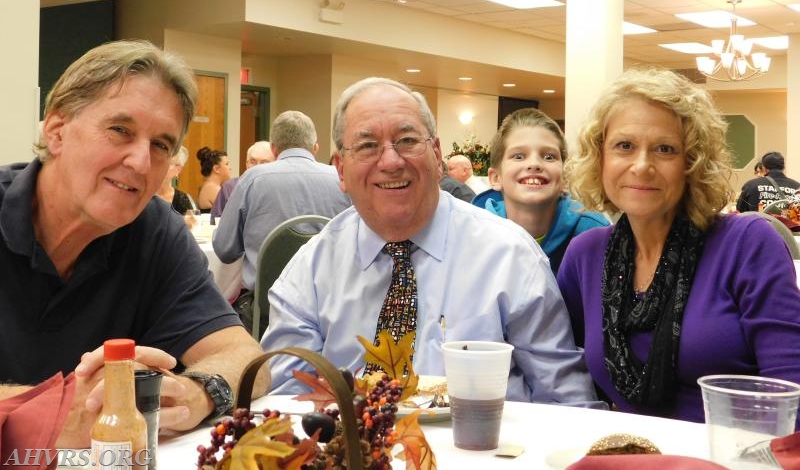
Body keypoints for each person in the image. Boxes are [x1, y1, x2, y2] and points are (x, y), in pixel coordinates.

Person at [261, 77, 600, 406]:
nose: (391, 161)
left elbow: (564, 400)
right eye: (367, 146)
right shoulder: (311, 270)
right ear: (340, 170)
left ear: (437, 155)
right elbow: (287, 398)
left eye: (407, 141)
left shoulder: (510, 256)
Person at [0, 40, 267, 448]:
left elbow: (248, 360)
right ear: (56, 130)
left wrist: (199, 393)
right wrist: (53, 410)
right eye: (119, 130)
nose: (141, 163)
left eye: (160, 145)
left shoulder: (156, 233)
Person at [556, 68, 800, 424]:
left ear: (692, 164)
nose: (642, 166)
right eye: (624, 146)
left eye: (665, 149)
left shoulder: (747, 245)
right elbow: (565, 370)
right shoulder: (585, 255)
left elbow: (791, 390)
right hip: (627, 455)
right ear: (600, 157)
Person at [213, 111, 351, 335]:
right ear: (315, 147)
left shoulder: (253, 179)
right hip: (331, 307)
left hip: (264, 312)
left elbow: (224, 250)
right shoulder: (342, 180)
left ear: (274, 148)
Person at [481, 108, 609, 274]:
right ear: (496, 178)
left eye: (549, 156)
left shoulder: (594, 234)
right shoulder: (476, 234)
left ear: (565, 178)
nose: (534, 164)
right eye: (519, 156)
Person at [210, 140, 274, 222]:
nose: (257, 167)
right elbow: (215, 222)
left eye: (264, 162)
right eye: (253, 162)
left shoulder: (280, 190)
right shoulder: (230, 188)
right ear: (246, 164)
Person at [155, 145, 194, 215]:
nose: (161, 166)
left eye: (169, 162)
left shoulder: (182, 199)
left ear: (178, 170)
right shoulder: (142, 194)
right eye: (160, 161)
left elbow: (191, 223)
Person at [196, 146, 231, 212]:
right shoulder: (212, 188)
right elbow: (233, 212)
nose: (230, 168)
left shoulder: (210, 186)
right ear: (216, 169)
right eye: (227, 164)